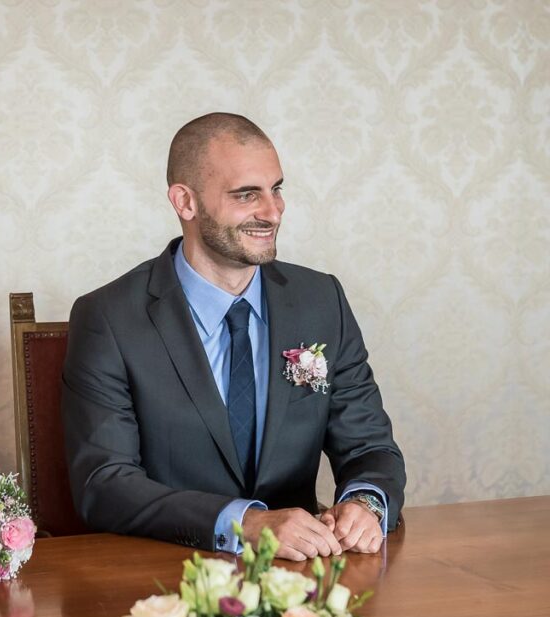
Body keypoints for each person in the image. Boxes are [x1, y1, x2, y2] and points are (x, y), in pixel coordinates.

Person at [62, 113, 405, 561]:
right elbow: (104, 485)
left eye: (276, 189)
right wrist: (245, 523)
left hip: (300, 580)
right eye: (247, 195)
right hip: (162, 580)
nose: (272, 211)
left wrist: (365, 502)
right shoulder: (108, 318)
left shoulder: (322, 300)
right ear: (185, 202)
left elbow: (369, 446)